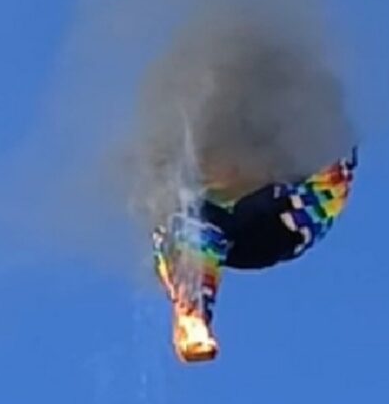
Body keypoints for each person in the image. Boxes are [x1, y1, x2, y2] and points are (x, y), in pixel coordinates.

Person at [153, 148, 357, 362]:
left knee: (190, 219)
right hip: (253, 212)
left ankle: (193, 311)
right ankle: (192, 310)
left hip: (289, 218)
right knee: (182, 220)